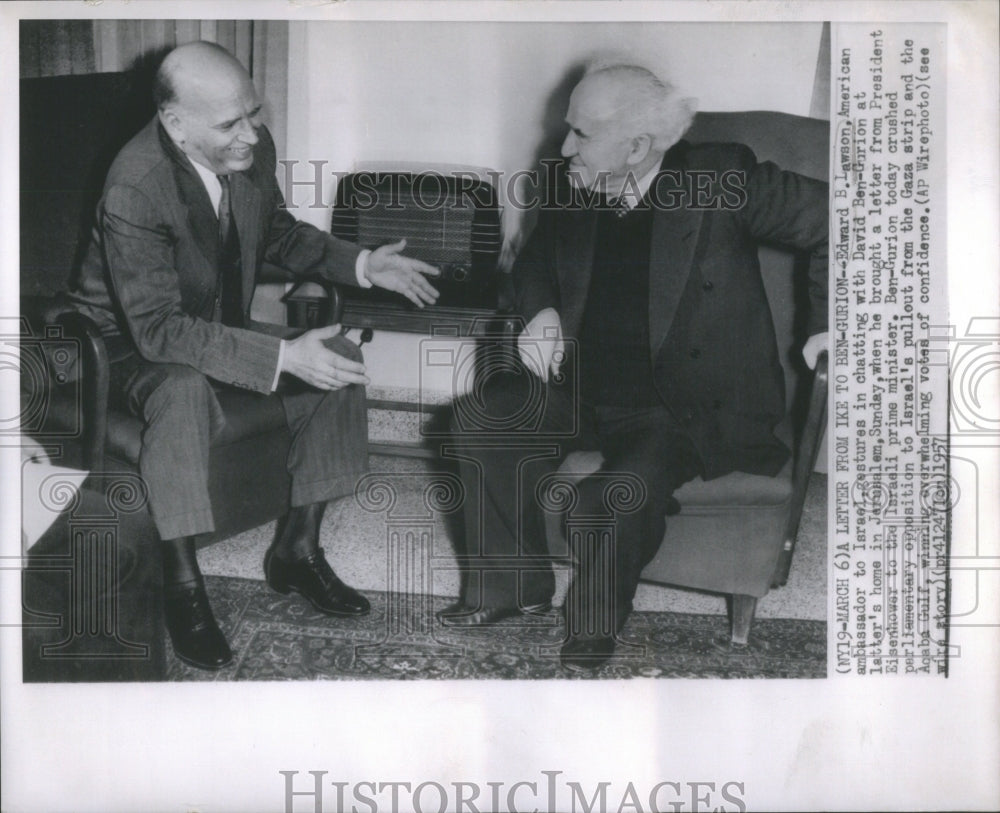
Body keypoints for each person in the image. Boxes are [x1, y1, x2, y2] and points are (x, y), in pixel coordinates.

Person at [440, 64, 829, 671]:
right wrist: (540, 308)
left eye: (581, 134)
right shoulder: (572, 177)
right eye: (568, 129)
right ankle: (510, 589)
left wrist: (824, 330)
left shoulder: (717, 175)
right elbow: (538, 255)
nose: (564, 147)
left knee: (612, 497)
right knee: (482, 421)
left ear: (639, 147)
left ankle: (594, 621)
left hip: (676, 405)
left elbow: (846, 222)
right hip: (574, 383)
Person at [65, 41, 441, 670]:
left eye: (253, 113)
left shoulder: (250, 147)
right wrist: (282, 358)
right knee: (183, 387)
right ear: (175, 124)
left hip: (202, 325)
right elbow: (158, 332)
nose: (250, 134)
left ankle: (297, 550)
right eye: (229, 124)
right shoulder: (135, 186)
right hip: (119, 346)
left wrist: (362, 263)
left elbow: (280, 232)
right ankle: (183, 584)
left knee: (337, 355)